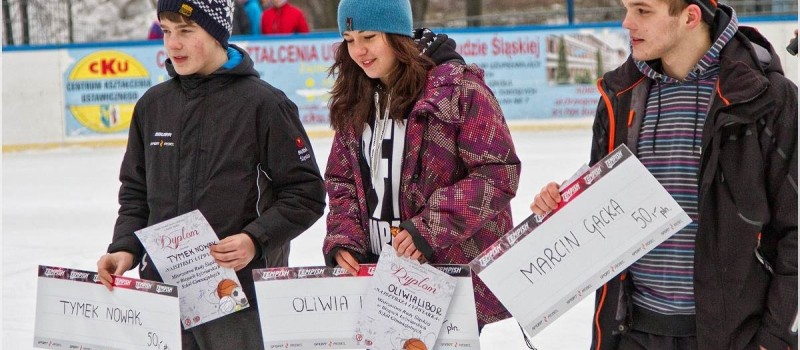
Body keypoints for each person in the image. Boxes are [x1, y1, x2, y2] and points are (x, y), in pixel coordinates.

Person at [530, 0, 797, 349]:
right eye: (626, 9)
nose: (627, 23)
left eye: (642, 11)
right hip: (633, 332)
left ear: (690, 16)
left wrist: (774, 338)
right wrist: (563, 207)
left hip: (733, 336)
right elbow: (604, 215)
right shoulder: (620, 97)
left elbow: (795, 228)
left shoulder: (768, 98)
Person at [96, 0, 326, 348]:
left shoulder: (264, 105)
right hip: (165, 294)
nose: (173, 44)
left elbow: (305, 194)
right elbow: (135, 193)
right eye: (167, 32)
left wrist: (255, 239)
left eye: (186, 31)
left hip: (238, 299)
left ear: (217, 33)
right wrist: (125, 247)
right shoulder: (152, 106)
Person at [322, 0, 521, 330]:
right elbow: (342, 180)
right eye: (349, 38)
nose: (358, 50)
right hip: (374, 277)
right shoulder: (355, 97)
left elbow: (498, 172)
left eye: (369, 36)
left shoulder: (459, 91)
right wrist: (345, 238)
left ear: (397, 33)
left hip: (444, 277)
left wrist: (429, 228)